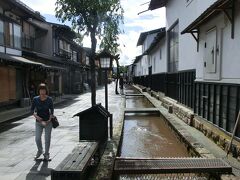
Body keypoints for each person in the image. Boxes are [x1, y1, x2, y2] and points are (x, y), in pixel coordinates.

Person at [31, 83, 54, 161]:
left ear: (46, 91)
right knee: (37, 138)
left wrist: (49, 119)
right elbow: (32, 110)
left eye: (44, 90)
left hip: (48, 122)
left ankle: (46, 154)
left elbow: (52, 111)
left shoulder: (49, 99)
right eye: (41, 90)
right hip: (39, 122)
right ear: (39, 91)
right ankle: (40, 151)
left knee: (47, 139)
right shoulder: (35, 99)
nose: (42, 92)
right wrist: (37, 117)